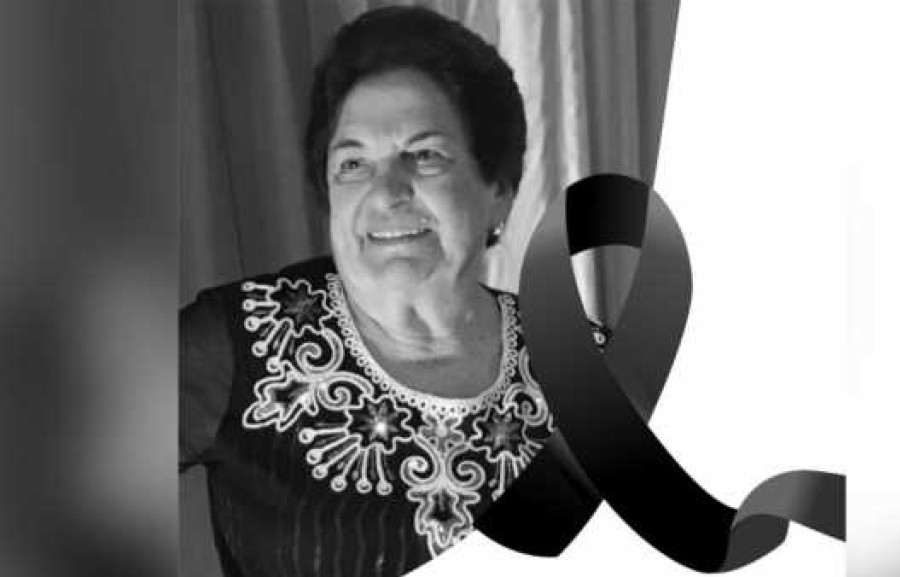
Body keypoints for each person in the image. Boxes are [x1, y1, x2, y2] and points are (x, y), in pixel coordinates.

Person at [180, 6, 594, 576]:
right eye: (353, 164)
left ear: (498, 188)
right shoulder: (245, 342)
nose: (386, 192)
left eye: (424, 156)